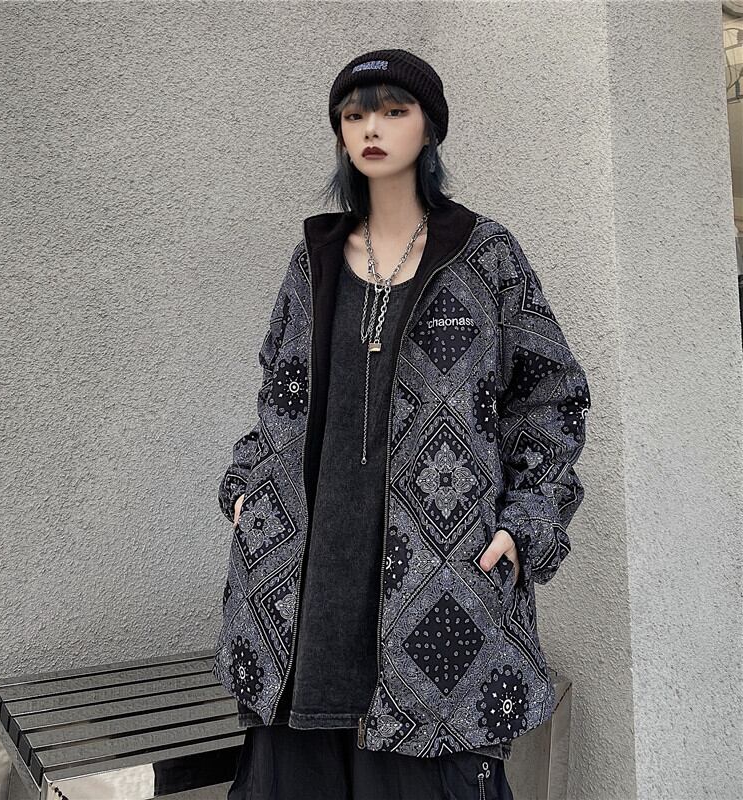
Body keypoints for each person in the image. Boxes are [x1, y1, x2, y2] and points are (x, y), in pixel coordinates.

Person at [213, 48, 591, 800]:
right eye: (355, 115)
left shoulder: (485, 257)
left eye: (394, 111)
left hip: (440, 600)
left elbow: (553, 398)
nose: (372, 129)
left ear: (429, 128)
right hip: (299, 606)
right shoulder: (314, 260)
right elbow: (278, 397)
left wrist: (524, 524)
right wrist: (247, 490)